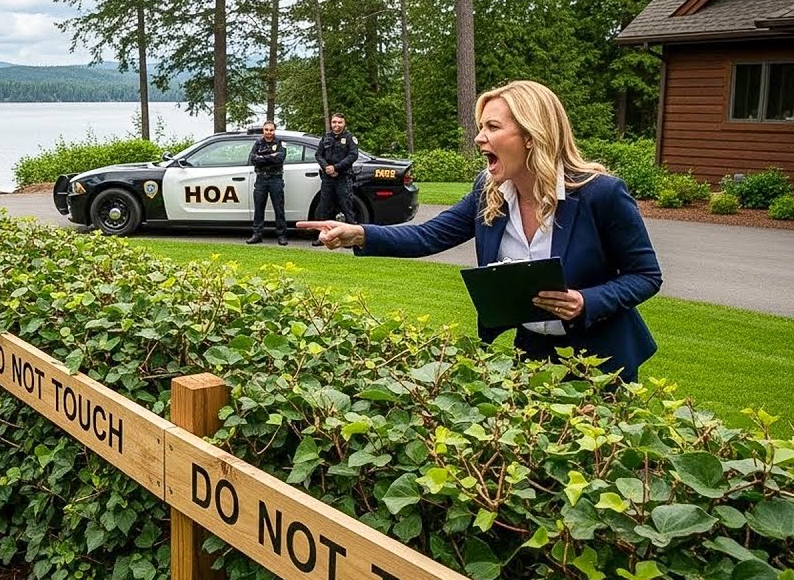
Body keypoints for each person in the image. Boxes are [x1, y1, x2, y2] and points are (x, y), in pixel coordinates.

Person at [298, 80, 662, 381]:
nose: (478, 138)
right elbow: (429, 235)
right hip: (531, 355)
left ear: (531, 136)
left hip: (601, 360)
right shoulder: (487, 191)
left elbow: (645, 275)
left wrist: (587, 301)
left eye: (493, 127)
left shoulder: (601, 194)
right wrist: (359, 233)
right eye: (480, 127)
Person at [312, 112, 359, 245]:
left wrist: (336, 168)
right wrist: (327, 167)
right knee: (324, 208)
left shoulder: (350, 138)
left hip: (343, 178)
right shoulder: (326, 137)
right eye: (334, 122)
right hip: (328, 179)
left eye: (339, 122)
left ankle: (352, 240)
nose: (336, 125)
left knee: (347, 208)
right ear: (331, 123)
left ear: (344, 124)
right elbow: (318, 155)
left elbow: (353, 156)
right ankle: (322, 238)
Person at [247, 121, 288, 245]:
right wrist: (270, 156)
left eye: (271, 130)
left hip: (275, 179)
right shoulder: (258, 143)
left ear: (274, 131)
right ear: (263, 131)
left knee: (279, 208)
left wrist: (262, 158)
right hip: (261, 180)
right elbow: (253, 159)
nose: (268, 132)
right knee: (259, 208)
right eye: (266, 130)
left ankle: (281, 236)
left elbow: (280, 158)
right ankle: (257, 234)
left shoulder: (280, 143)